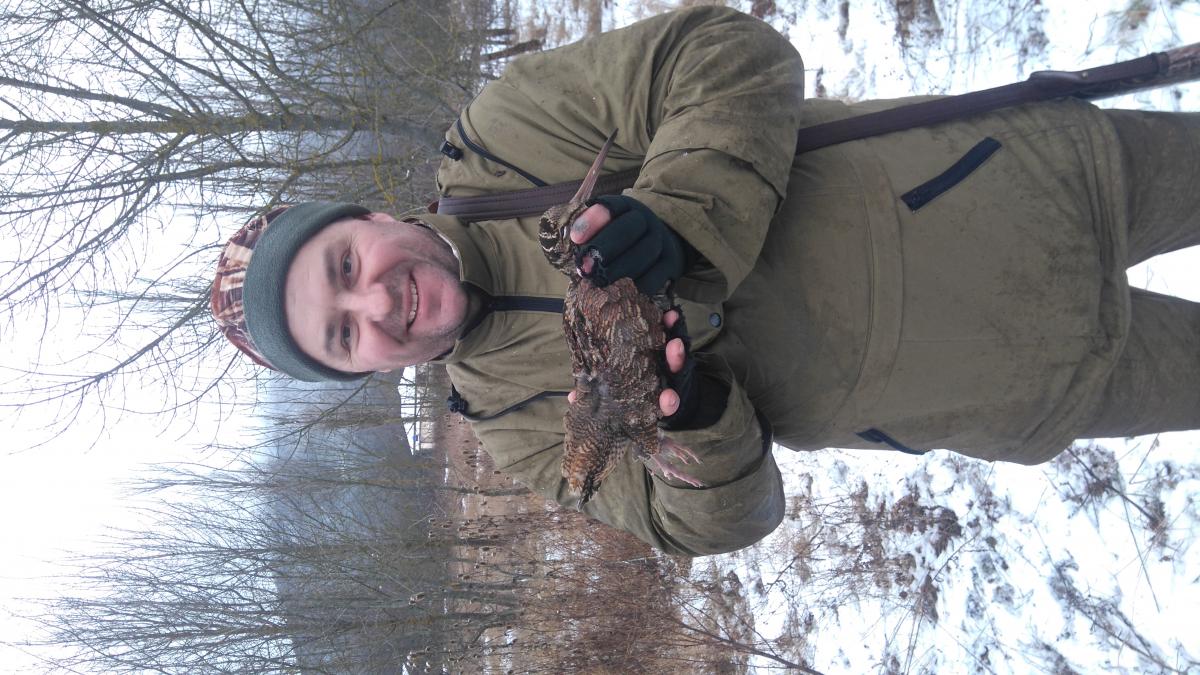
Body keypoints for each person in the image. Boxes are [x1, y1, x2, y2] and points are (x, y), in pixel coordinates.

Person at [212, 6, 1200, 556]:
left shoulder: (508, 140)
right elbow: (709, 520)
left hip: (1036, 185)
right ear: (364, 369)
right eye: (344, 334)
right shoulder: (517, 425)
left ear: (369, 216)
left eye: (346, 266)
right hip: (1024, 384)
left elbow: (729, 54)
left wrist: (677, 216)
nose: (377, 302)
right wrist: (697, 422)